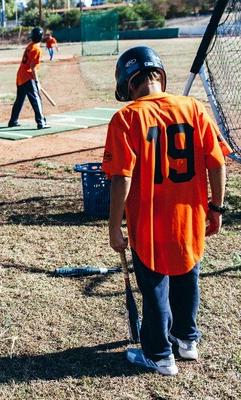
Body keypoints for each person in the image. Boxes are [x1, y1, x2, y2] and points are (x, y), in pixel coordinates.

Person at [102, 46, 230, 376]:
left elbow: (121, 179)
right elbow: (217, 163)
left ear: (129, 84)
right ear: (159, 75)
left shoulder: (126, 118)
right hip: (191, 217)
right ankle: (186, 341)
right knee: (188, 275)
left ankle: (159, 355)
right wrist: (216, 206)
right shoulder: (193, 108)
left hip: (149, 221)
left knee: (155, 284)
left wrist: (115, 227)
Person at [8, 27, 50, 130]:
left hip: (20, 76)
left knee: (20, 100)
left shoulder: (30, 46)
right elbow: (32, 67)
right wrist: (37, 81)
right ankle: (41, 122)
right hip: (27, 77)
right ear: (41, 37)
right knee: (36, 99)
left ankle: (13, 121)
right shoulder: (37, 49)